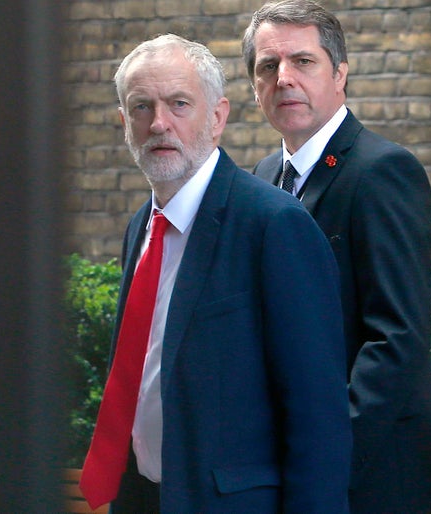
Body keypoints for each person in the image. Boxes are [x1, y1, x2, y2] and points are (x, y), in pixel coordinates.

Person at [78, 33, 352, 514]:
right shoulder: (140, 227)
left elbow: (318, 420)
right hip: (141, 498)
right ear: (124, 123)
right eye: (141, 107)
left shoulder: (273, 225)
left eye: (179, 104)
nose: (159, 123)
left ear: (218, 116)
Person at [243, 1, 431, 512]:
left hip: (372, 473)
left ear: (340, 74)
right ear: (253, 86)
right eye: (268, 66)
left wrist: (325, 454)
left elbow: (397, 338)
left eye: (303, 61)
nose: (284, 78)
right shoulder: (263, 176)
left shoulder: (383, 171)